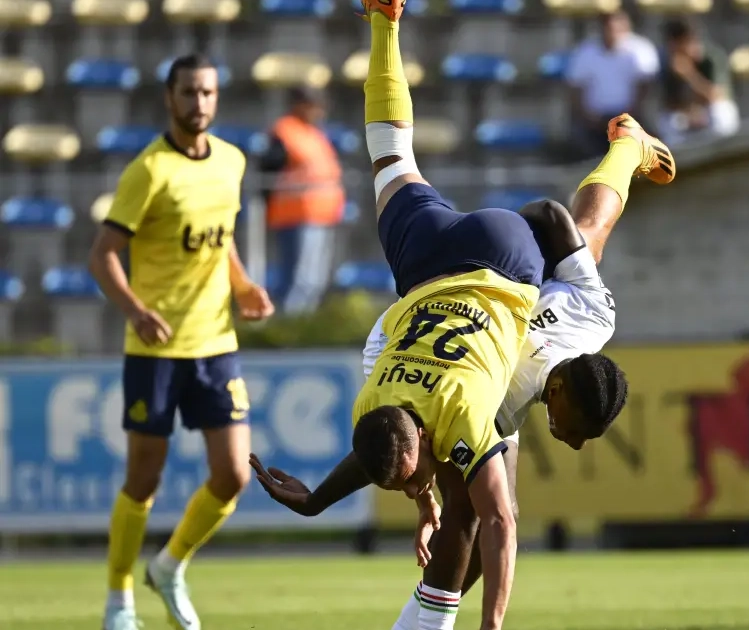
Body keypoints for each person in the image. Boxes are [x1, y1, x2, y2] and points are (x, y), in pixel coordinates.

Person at [256, 1, 671, 628]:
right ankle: (383, 21)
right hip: (436, 271)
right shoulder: (381, 394)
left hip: (488, 266)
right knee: (390, 158)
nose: (568, 440)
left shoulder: (532, 360)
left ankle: (625, 148)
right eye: (577, 429)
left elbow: (441, 475)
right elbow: (395, 436)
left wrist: (396, 497)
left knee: (472, 506)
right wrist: (351, 496)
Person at [89, 53, 275, 630]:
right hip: (155, 351)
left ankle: (169, 567)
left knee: (234, 474)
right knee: (144, 478)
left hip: (215, 343)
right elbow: (102, 256)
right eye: (189, 92)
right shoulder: (149, 171)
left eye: (208, 92)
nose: (199, 102)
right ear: (169, 98)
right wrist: (136, 311)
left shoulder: (232, 161)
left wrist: (242, 285)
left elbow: (222, 240)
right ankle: (119, 599)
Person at [260, 86, 346, 315]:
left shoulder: (314, 133)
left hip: (322, 216)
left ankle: (304, 326)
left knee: (314, 280)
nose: (319, 111)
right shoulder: (285, 132)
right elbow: (268, 174)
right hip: (296, 217)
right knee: (298, 281)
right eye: (313, 105)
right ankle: (289, 327)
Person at [565, 9, 660, 159]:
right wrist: (587, 117)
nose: (611, 29)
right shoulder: (585, 51)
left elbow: (645, 84)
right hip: (594, 122)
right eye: (607, 24)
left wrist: (629, 115)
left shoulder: (640, 49)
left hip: (631, 120)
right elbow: (575, 88)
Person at [658, 19, 738, 146]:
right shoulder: (669, 63)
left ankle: (724, 148)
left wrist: (689, 74)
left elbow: (715, 96)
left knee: (720, 113)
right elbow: (669, 104)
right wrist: (690, 112)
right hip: (687, 115)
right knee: (667, 122)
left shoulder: (711, 58)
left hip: (709, 112)